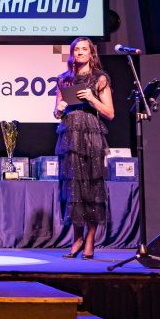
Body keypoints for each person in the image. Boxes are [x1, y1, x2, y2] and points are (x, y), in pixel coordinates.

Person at [53, 37, 114, 260]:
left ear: (91, 53)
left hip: (91, 135)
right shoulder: (64, 79)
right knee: (74, 189)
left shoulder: (100, 78)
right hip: (70, 136)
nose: (79, 53)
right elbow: (56, 113)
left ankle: (90, 239)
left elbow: (110, 113)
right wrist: (60, 108)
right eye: (76, 49)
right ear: (72, 54)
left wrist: (91, 98)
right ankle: (77, 238)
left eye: (84, 49)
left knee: (92, 188)